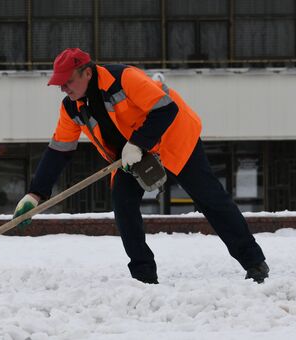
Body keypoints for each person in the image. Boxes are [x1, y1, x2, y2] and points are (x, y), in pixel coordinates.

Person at [13, 47, 268, 284]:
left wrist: (138, 143)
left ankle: (254, 262)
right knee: (124, 206)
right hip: (128, 158)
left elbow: (166, 110)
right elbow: (59, 150)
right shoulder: (72, 108)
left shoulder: (124, 78)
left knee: (210, 199)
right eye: (60, 84)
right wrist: (36, 194)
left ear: (87, 73)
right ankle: (144, 277)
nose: (64, 89)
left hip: (173, 140)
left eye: (68, 82)